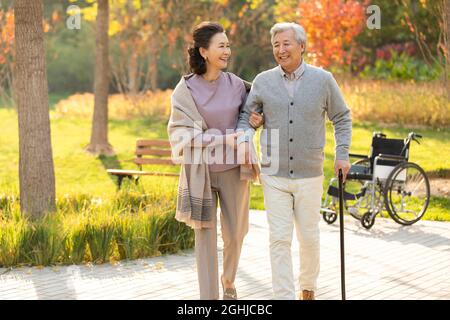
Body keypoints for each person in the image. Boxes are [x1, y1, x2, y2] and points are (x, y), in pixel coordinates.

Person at [237, 22, 352, 300]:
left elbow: (342, 117)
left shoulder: (323, 80)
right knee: (278, 239)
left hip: (309, 174)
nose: (280, 50)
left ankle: (308, 287)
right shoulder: (263, 81)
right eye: (276, 45)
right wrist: (247, 133)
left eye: (286, 43)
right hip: (273, 173)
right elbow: (245, 117)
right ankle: (284, 296)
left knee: (308, 237)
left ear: (302, 46)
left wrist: (342, 154)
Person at [167, 21, 262, 300]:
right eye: (221, 46)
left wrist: (258, 121)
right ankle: (208, 299)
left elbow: (255, 112)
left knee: (236, 234)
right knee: (205, 239)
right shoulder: (185, 90)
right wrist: (223, 140)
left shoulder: (236, 84)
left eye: (228, 46)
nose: (227, 51)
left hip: (234, 169)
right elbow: (183, 135)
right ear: (204, 51)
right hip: (201, 173)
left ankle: (228, 281)